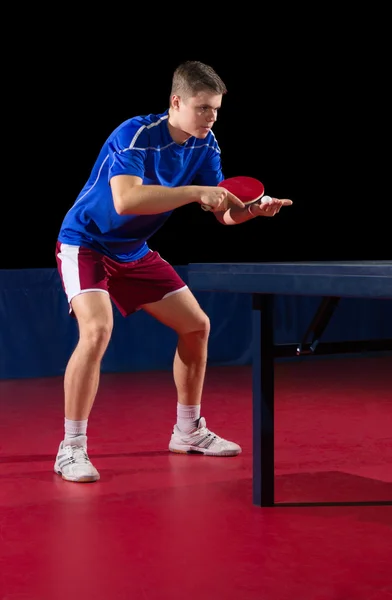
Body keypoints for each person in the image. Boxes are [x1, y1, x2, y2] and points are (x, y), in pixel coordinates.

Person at [54, 60, 293, 483]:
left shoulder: (207, 145)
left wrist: (253, 212)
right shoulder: (135, 135)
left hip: (133, 251)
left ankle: (188, 431)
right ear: (176, 102)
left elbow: (223, 214)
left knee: (197, 326)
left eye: (216, 109)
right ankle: (71, 449)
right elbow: (127, 200)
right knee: (96, 331)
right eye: (203, 108)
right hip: (87, 242)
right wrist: (197, 192)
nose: (211, 117)